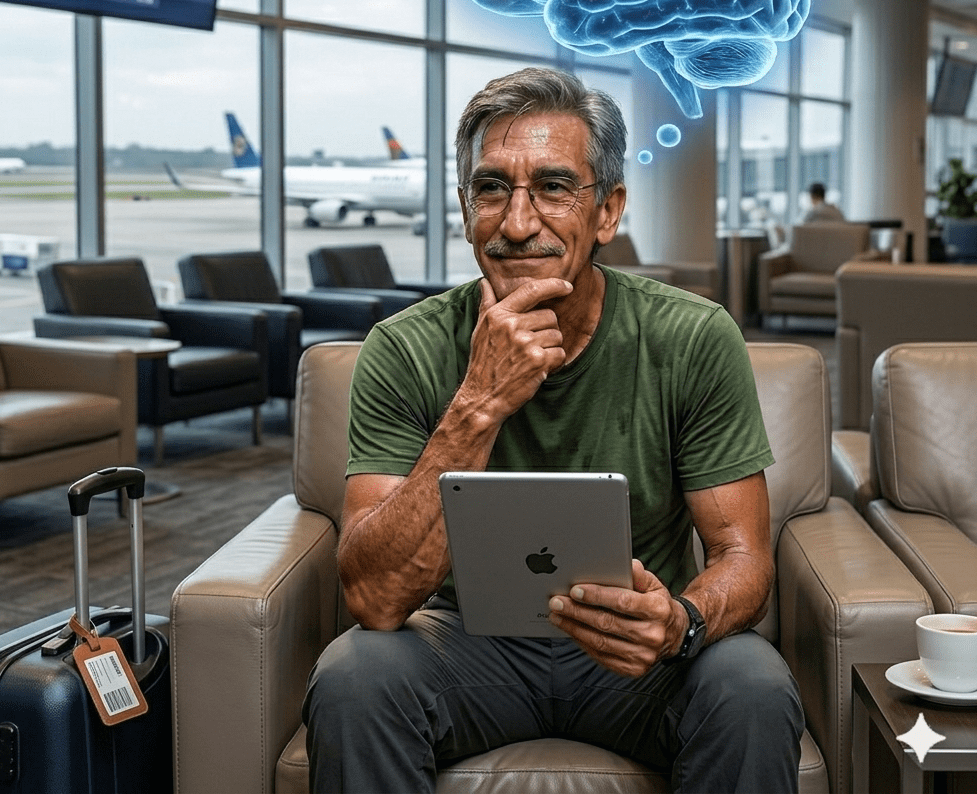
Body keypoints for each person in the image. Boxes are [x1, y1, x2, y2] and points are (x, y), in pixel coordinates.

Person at [303, 67, 804, 793]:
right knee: (355, 673)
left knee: (752, 680)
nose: (516, 223)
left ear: (607, 211)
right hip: (467, 648)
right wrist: (480, 402)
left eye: (554, 186)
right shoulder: (403, 347)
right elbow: (375, 599)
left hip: (636, 660)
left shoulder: (692, 336)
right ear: (465, 204)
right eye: (492, 188)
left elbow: (743, 554)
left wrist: (682, 622)